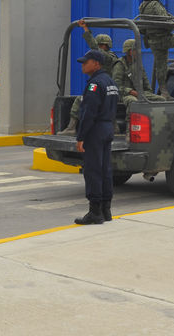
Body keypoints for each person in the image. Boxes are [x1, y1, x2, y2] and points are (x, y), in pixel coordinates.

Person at [73, 49, 119, 224]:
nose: (83, 65)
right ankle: (106, 210)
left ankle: (95, 212)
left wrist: (81, 136)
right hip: (107, 128)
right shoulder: (110, 82)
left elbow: (88, 113)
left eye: (86, 62)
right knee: (105, 170)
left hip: (96, 130)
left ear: (96, 64)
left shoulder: (95, 84)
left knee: (93, 170)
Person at [60, 19, 118, 135]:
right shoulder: (105, 57)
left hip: (106, 89)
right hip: (107, 89)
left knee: (80, 100)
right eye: (99, 45)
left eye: (102, 45)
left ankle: (72, 127)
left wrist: (86, 30)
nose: (100, 47)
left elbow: (95, 49)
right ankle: (114, 127)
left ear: (107, 46)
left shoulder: (109, 57)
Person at [113, 39, 166, 128]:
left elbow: (145, 81)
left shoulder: (138, 64)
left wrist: (149, 93)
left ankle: (157, 125)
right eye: (135, 50)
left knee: (161, 100)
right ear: (129, 51)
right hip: (124, 94)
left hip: (139, 93)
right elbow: (116, 85)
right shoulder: (120, 64)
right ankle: (130, 128)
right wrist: (130, 91)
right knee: (133, 102)